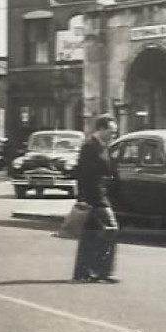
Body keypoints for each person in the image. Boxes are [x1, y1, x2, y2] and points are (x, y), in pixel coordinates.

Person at [72, 115, 120, 284]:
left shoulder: (103, 146)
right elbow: (83, 175)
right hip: (95, 197)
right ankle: (102, 271)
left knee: (90, 235)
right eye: (111, 131)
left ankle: (84, 272)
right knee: (111, 229)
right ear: (100, 129)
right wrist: (82, 198)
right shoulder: (89, 147)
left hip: (100, 195)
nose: (113, 135)